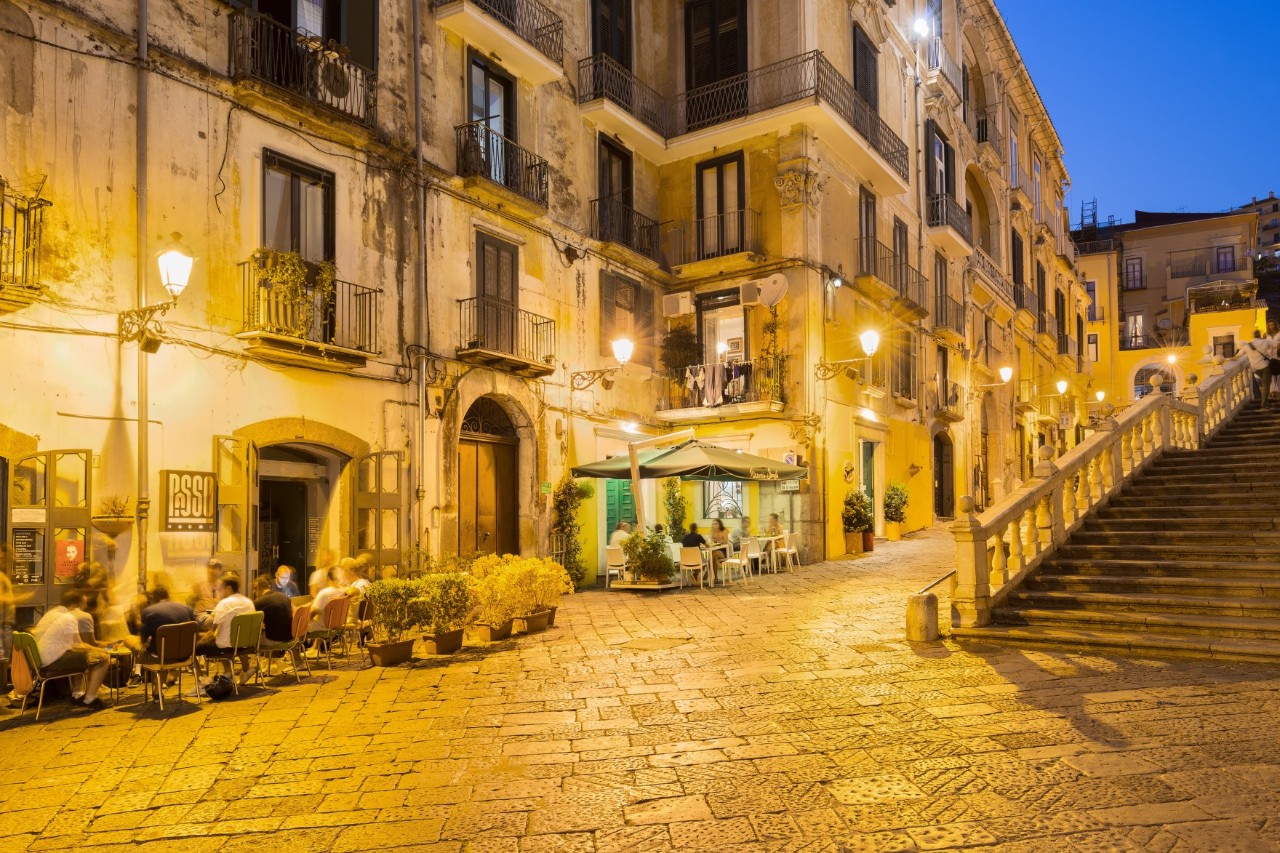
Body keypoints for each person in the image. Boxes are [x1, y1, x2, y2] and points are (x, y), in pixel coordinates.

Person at [29, 589, 111, 710]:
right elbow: (78, 645)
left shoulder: (51, 613)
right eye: (84, 602)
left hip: (40, 659)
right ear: (76, 604)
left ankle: (78, 695)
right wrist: (103, 650)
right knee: (103, 659)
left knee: (82, 658)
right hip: (51, 660)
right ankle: (90, 699)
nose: (85, 605)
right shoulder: (68, 618)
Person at [195, 574, 256, 686]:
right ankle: (241, 669)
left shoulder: (224, 604)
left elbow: (213, 631)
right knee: (226, 636)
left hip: (228, 647)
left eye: (220, 589)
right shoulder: (248, 602)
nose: (219, 592)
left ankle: (202, 682)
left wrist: (200, 638)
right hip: (246, 645)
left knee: (195, 648)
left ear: (228, 588)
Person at [139, 587, 195, 655]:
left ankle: (138, 664)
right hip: (185, 655)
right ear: (168, 596)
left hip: (161, 656)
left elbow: (143, 638)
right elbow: (195, 629)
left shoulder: (148, 611)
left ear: (153, 598)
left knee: (129, 639)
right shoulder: (187, 608)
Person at [1241, 329, 1276, 409]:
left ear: (1253, 335)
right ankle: (1264, 403)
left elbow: (1239, 354)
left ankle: (1264, 400)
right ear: (1259, 335)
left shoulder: (1247, 345)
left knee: (1263, 384)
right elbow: (1276, 345)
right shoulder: (1265, 342)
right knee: (1266, 385)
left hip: (1255, 369)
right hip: (1265, 367)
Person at [253, 577, 293, 645]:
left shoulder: (258, 602)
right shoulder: (284, 596)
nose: (253, 592)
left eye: (254, 589)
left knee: (253, 634)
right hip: (290, 636)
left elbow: (255, 623)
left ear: (258, 588)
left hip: (274, 639)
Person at [308, 568, 348, 634]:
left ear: (328, 578)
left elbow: (314, 611)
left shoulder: (324, 593)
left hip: (323, 626)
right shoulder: (344, 591)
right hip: (337, 624)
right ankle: (316, 644)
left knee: (299, 624)